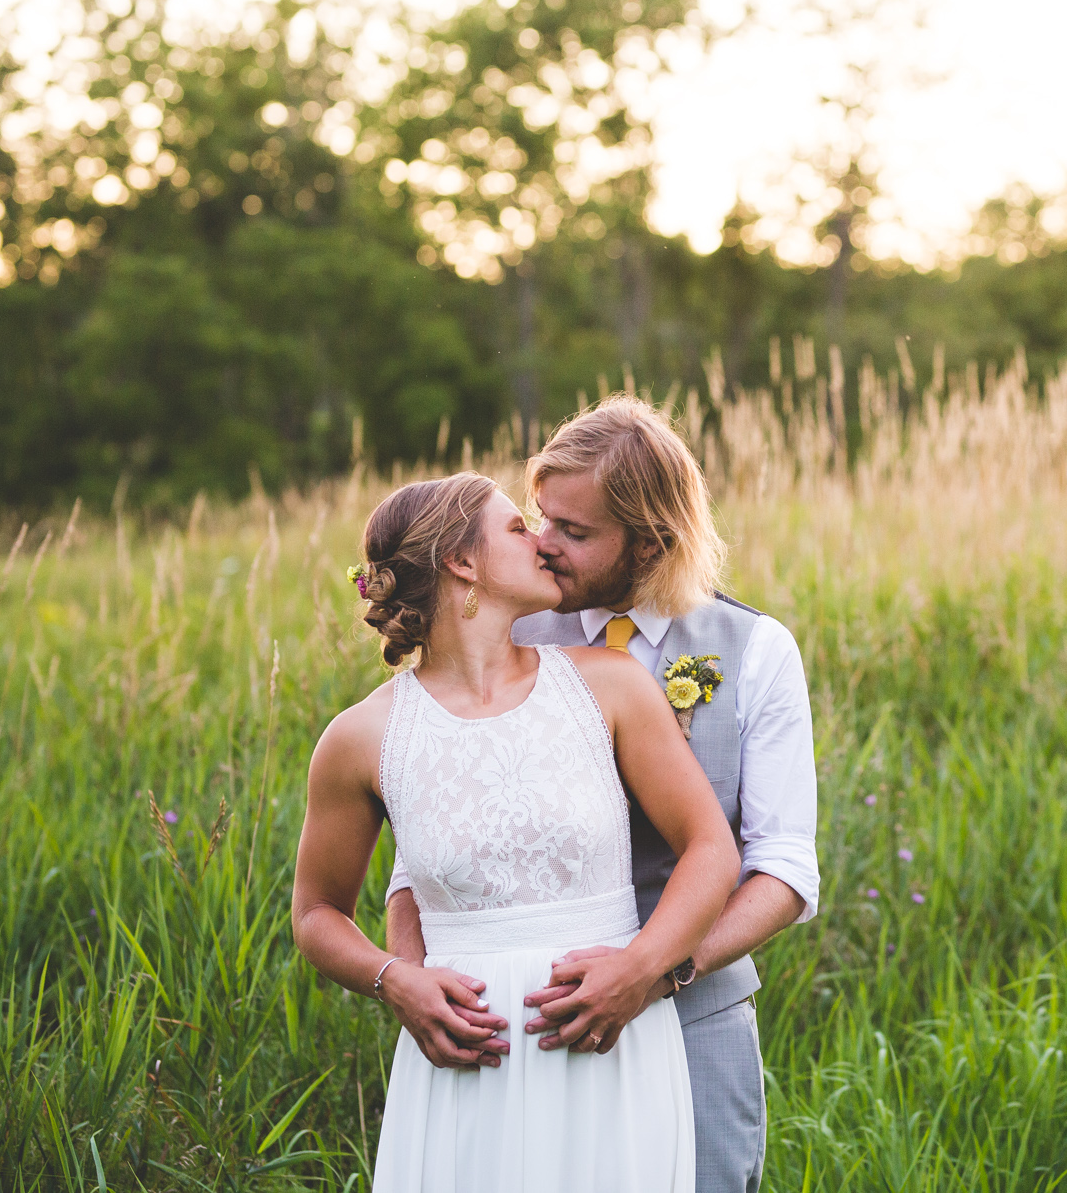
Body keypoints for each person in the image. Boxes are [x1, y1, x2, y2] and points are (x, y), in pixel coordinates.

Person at [383, 396, 821, 1193]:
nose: (545, 546)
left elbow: (785, 869)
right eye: (540, 518)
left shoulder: (755, 650)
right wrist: (410, 982)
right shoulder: (512, 636)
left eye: (575, 533)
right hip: (520, 1034)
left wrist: (658, 969)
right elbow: (426, 848)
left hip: (695, 1016)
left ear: (649, 541)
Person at [291, 470, 740, 1192]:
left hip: (610, 1052)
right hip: (463, 1071)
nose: (542, 539)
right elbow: (316, 912)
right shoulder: (361, 737)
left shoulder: (610, 685)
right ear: (462, 563)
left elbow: (711, 849)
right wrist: (394, 979)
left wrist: (642, 967)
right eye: (514, 526)